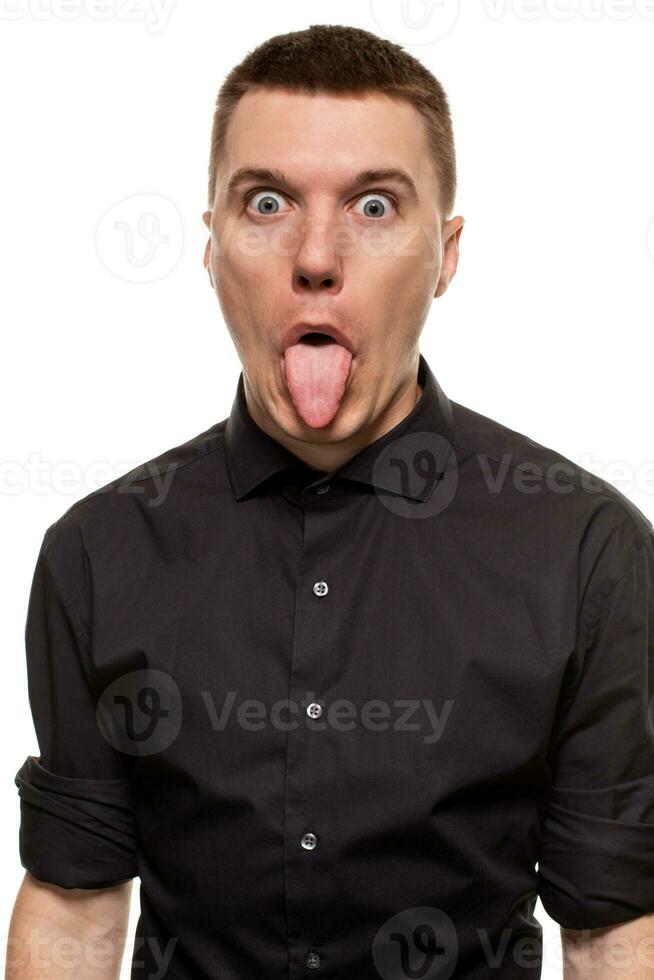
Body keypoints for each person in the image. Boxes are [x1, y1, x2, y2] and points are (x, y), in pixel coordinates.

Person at [7, 23, 654, 980]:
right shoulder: (98, 550)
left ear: (446, 253)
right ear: (213, 246)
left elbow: (612, 927)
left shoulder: (587, 550)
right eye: (266, 203)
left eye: (374, 205)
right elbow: (74, 899)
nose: (316, 257)